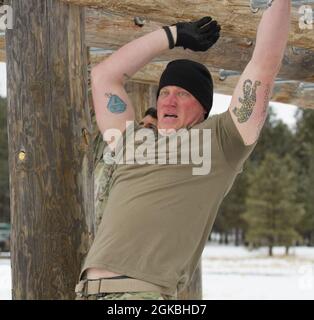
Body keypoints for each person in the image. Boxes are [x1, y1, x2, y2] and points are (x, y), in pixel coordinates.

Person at [75, 1, 291, 300]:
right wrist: (173, 35)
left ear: (203, 108)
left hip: (141, 295)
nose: (168, 101)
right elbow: (104, 77)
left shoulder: (221, 141)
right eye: (164, 92)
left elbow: (264, 64)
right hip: (86, 292)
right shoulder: (131, 139)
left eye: (183, 93)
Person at [94, 107, 158, 231]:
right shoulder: (115, 151)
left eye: (150, 127)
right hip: (93, 229)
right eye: (141, 124)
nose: (142, 129)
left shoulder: (151, 168)